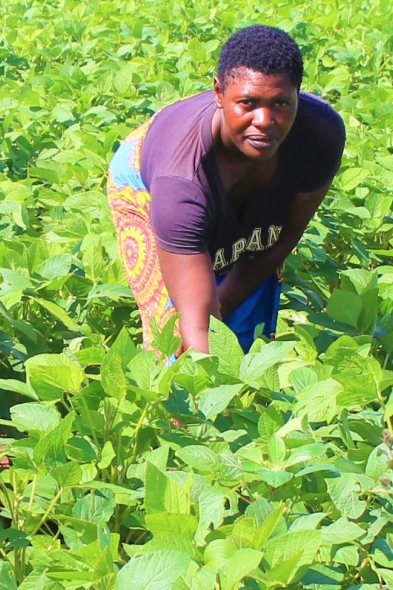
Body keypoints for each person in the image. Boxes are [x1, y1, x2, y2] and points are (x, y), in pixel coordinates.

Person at [106, 24, 344, 354]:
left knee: (246, 334)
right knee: (174, 338)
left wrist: (225, 305)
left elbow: (283, 238)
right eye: (248, 103)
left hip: (230, 192)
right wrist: (206, 331)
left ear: (297, 95)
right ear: (219, 93)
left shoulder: (319, 135)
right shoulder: (179, 181)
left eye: (281, 103)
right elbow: (197, 328)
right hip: (145, 184)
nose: (264, 120)